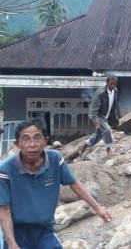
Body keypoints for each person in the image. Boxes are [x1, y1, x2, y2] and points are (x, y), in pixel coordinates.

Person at [0, 118, 112, 248]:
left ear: (45, 141)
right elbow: (4, 211)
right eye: (25, 139)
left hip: (45, 229)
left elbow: (74, 184)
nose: (32, 144)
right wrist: (12, 244)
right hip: (17, 232)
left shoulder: (54, 159)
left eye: (37, 138)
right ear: (17, 144)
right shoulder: (5, 169)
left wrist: (98, 208)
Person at [79, 74, 120, 157]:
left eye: (114, 84)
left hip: (106, 116)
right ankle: (108, 149)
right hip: (98, 115)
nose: (113, 85)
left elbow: (114, 105)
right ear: (106, 82)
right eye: (111, 83)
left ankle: (85, 145)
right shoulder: (100, 92)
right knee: (107, 130)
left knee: (98, 136)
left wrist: (114, 117)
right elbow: (93, 107)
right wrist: (95, 119)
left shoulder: (115, 91)